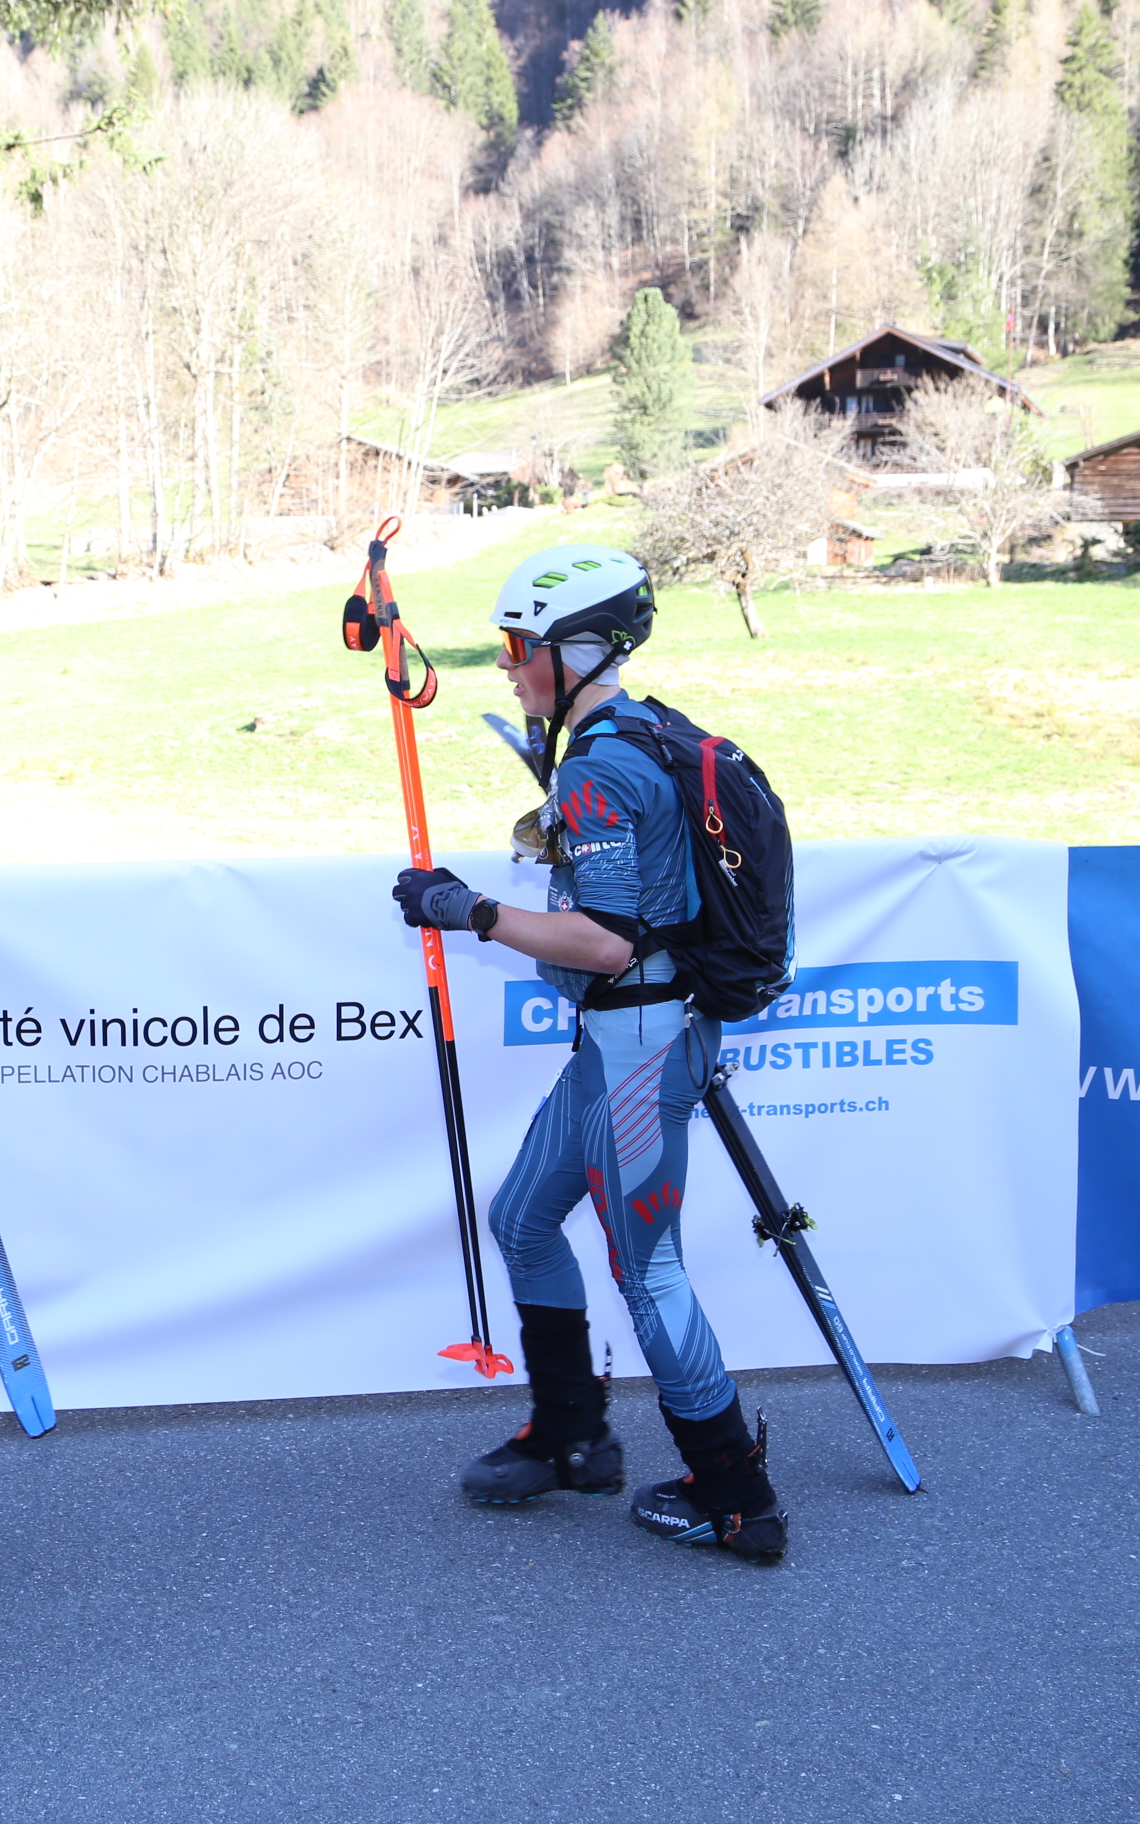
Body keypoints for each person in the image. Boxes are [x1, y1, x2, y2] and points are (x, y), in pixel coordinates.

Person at [390, 543, 786, 1565]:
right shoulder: (633, 731)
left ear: (575, 651)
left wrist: (464, 910)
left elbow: (605, 942)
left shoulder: (602, 764)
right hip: (624, 1039)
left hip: (641, 1048)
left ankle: (736, 1497)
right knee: (522, 1220)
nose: (505, 663)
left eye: (517, 644)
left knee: (647, 1271)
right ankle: (571, 1436)